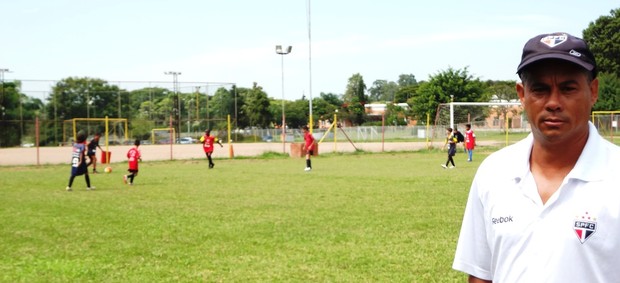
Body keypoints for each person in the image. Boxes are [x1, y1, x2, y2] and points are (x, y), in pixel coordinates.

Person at [453, 32, 620, 282]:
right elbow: (481, 274)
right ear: (522, 94)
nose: (553, 102)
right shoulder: (494, 173)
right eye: (540, 89)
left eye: (568, 88)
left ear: (592, 91)